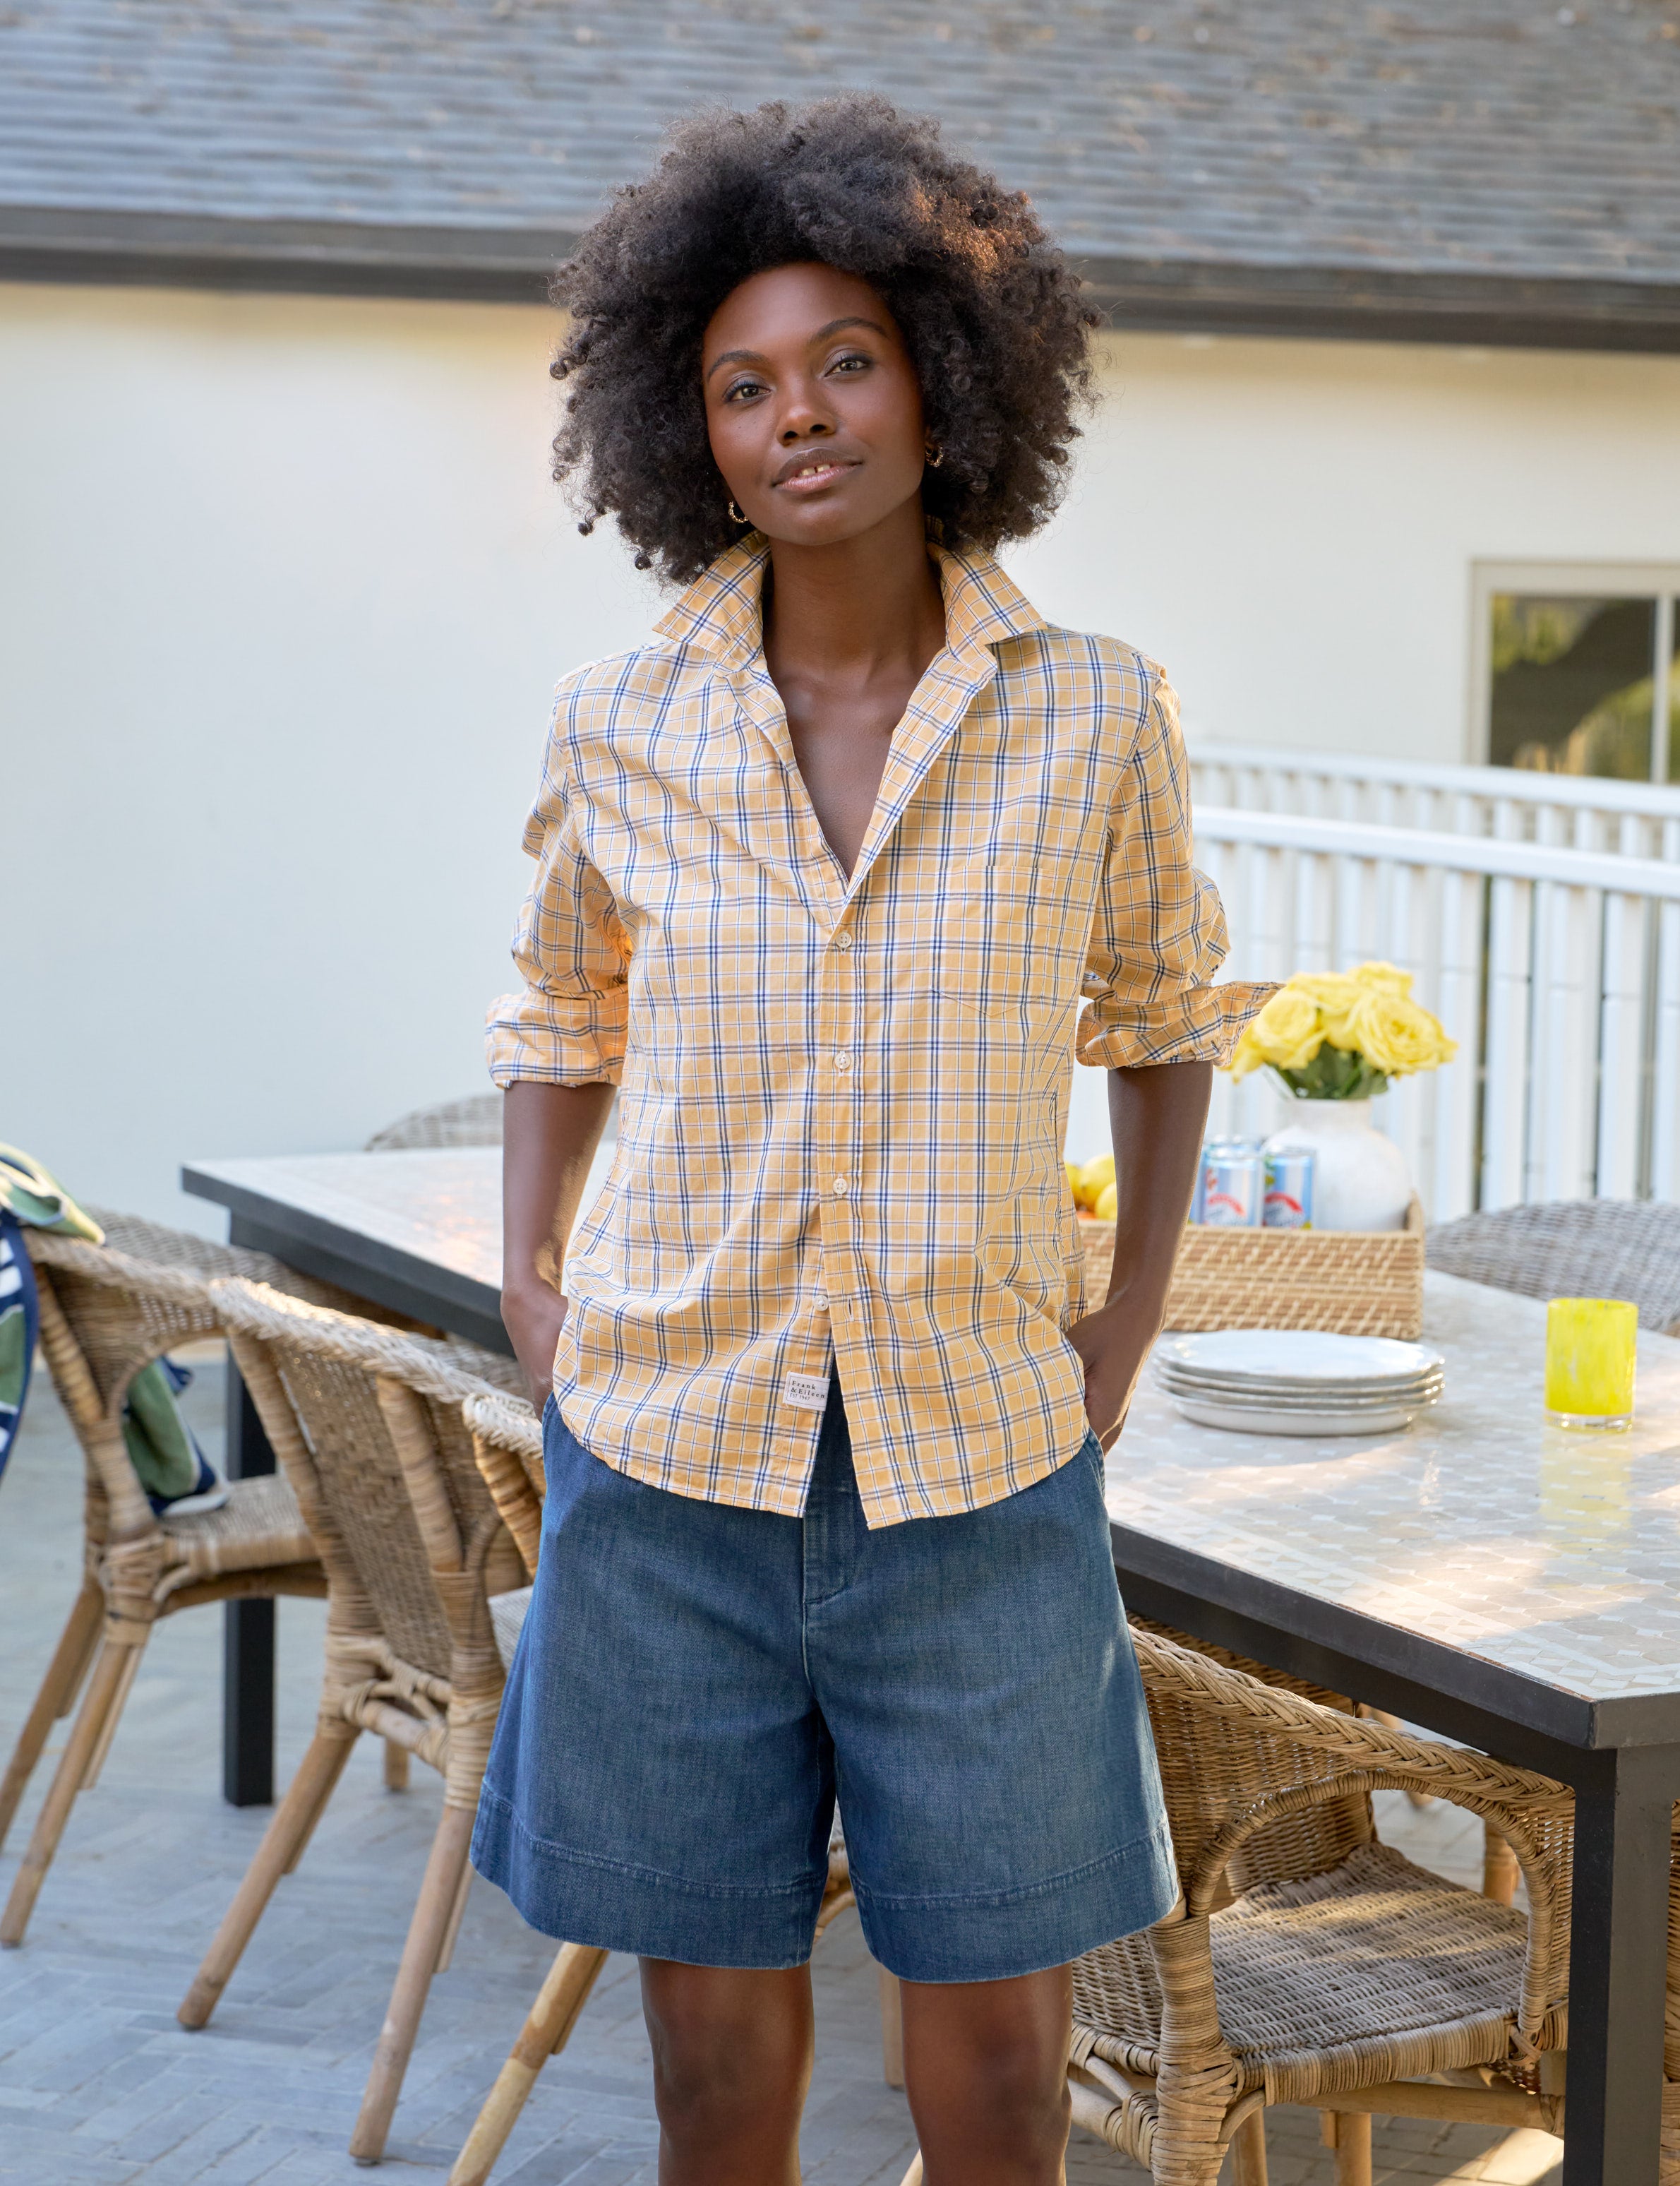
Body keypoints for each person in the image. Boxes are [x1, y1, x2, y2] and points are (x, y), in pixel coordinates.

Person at [472, 95, 1269, 2186]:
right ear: (687, 431)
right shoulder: (613, 719)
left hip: (980, 1476)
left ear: (944, 373)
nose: (795, 416)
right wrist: (527, 1280)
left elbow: (1164, 1022)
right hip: (667, 1465)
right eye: (740, 385)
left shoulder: (1095, 711)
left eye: (842, 359)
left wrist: (1124, 1333)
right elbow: (558, 1008)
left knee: (996, 2086)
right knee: (712, 2080)